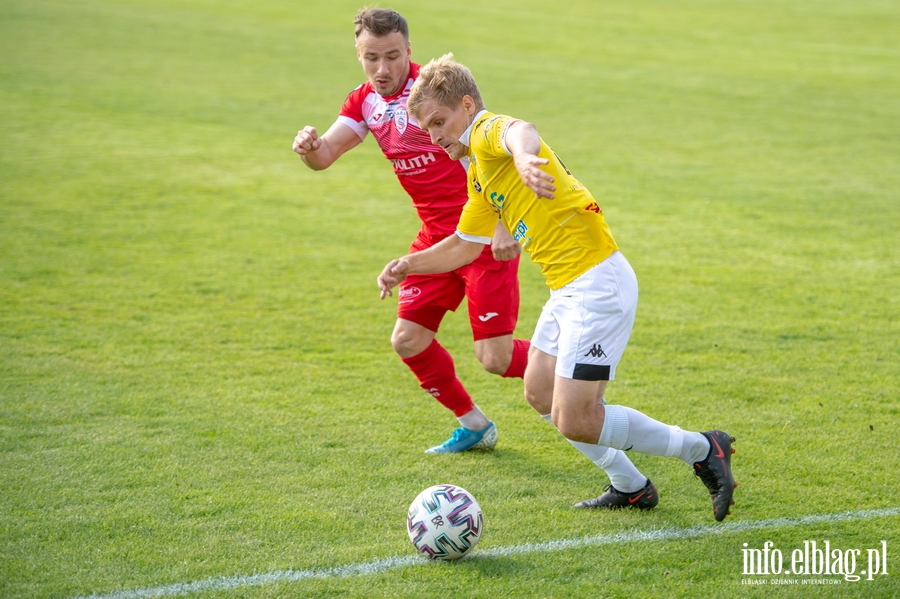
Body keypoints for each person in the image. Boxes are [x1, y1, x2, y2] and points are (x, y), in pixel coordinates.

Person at [377, 53, 738, 521]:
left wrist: (526, 156)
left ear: (466, 107)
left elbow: (520, 129)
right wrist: (408, 264)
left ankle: (703, 448)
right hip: (567, 289)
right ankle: (631, 486)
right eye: (427, 129)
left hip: (596, 283)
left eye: (439, 122)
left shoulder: (487, 133)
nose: (435, 136)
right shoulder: (480, 172)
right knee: (539, 392)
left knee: (579, 419)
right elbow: (466, 245)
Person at [292, 8, 532, 454]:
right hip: (434, 240)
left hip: (478, 236)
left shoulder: (436, 94)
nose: (383, 69)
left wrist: (502, 223)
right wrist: (308, 147)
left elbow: (489, 154)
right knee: (408, 338)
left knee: (495, 359)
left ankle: (574, 369)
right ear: (359, 55)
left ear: (409, 51)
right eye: (371, 58)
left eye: (393, 56)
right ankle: (474, 424)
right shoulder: (363, 102)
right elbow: (324, 156)